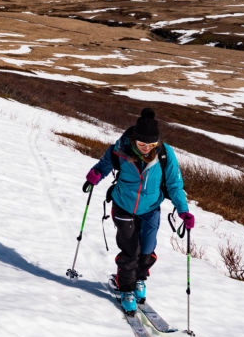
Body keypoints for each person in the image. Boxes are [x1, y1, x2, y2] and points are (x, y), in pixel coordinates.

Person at [83, 107, 194, 315]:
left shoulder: (165, 154)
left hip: (151, 209)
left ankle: (139, 280)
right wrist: (94, 175)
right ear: (134, 139)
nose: (146, 148)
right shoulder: (120, 149)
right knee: (131, 250)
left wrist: (183, 211)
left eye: (150, 144)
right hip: (123, 206)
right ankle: (125, 289)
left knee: (147, 249)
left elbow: (174, 185)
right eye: (142, 144)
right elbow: (104, 165)